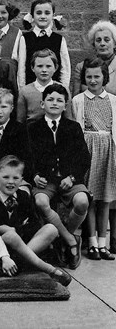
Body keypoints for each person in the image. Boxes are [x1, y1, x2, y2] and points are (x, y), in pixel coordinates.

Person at [0, 156, 71, 286]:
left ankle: (18, 263)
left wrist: (17, 229)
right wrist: (4, 230)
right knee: (10, 236)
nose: (11, 182)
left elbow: (35, 224)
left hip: (25, 245)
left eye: (15, 178)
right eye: (6, 177)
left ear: (21, 180)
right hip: (1, 250)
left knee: (51, 229)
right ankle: (40, 266)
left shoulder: (24, 197)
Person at [28, 84, 91, 270]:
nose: (54, 103)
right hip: (45, 180)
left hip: (68, 178)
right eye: (50, 99)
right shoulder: (33, 128)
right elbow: (26, 156)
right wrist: (34, 176)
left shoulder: (73, 127)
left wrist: (72, 177)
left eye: (59, 100)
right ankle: (71, 240)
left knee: (82, 201)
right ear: (42, 104)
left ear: (65, 105)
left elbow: (84, 158)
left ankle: (62, 239)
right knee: (40, 201)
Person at [72, 59, 116, 260]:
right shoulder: (78, 100)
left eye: (97, 76)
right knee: (90, 198)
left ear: (104, 77)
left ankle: (102, 244)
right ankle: (91, 243)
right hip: (87, 150)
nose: (93, 80)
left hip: (108, 150)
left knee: (105, 198)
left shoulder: (113, 100)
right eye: (89, 76)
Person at [18, 0, 70, 90]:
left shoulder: (59, 39)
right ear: (32, 16)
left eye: (47, 13)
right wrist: (22, 89)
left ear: (53, 15)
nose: (42, 16)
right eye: (38, 13)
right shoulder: (25, 39)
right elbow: (21, 68)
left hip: (54, 91)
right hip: (32, 89)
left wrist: (63, 89)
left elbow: (65, 68)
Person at [17, 49, 74, 126]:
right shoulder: (25, 91)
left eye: (48, 66)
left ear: (55, 67)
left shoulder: (63, 89)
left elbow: (68, 118)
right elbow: (20, 120)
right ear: (32, 68)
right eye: (40, 66)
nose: (44, 70)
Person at [71, 20, 116, 97]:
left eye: (106, 40)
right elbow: (76, 98)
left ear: (115, 43)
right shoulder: (81, 67)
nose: (102, 43)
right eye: (98, 40)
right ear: (94, 44)